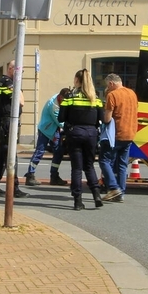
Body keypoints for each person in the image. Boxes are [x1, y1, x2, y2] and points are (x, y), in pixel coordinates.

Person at [58, 69, 104, 210]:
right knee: (89, 166)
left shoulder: (70, 97)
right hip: (91, 134)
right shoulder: (95, 98)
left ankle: (78, 201)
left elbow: (61, 118)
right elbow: (101, 119)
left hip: (75, 133)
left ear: (77, 80)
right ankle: (96, 195)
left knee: (77, 168)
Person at [0, 61, 28, 197]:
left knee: (2, 156)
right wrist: (18, 86)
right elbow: (22, 101)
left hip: (5, 122)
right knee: (11, 156)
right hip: (8, 122)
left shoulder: (2, 82)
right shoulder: (7, 82)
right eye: (19, 71)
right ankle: (14, 188)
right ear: (11, 69)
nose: (21, 75)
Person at [99, 73, 139, 202]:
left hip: (116, 134)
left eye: (108, 86)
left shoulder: (112, 95)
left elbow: (107, 118)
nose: (108, 88)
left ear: (111, 83)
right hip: (130, 133)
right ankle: (121, 193)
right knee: (122, 164)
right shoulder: (132, 94)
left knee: (104, 160)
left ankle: (113, 187)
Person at [25, 87, 70, 186]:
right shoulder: (53, 105)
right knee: (39, 151)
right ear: (61, 97)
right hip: (45, 130)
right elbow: (60, 122)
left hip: (53, 130)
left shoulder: (59, 99)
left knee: (59, 151)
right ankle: (30, 175)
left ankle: (54, 176)